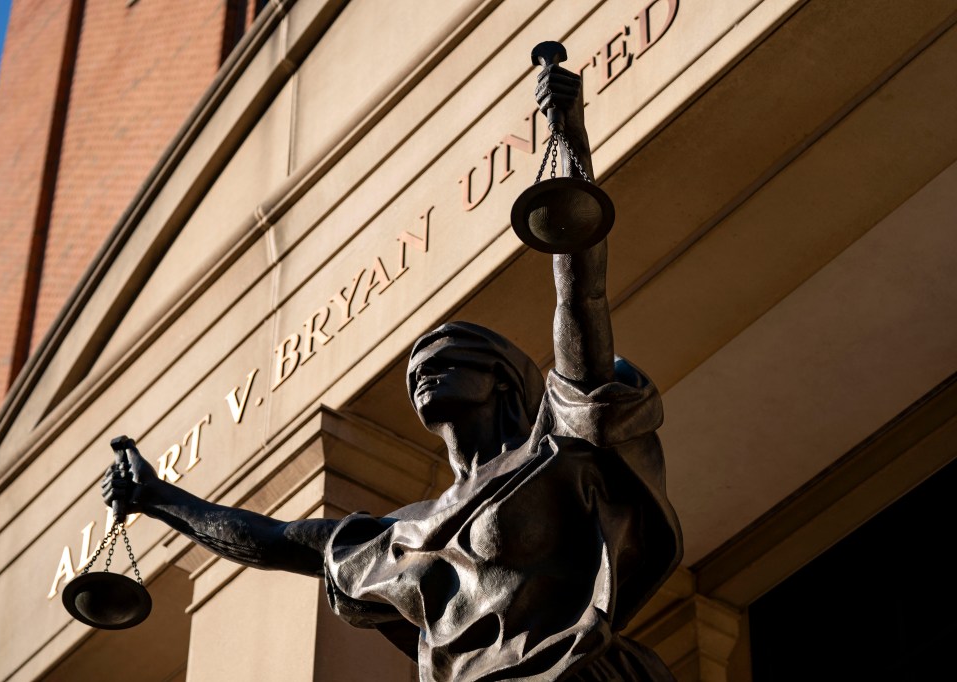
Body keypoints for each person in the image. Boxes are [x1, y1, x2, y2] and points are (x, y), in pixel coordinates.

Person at [103, 61, 682, 682]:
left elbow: (581, 298)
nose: (424, 379)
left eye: (446, 363)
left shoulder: (557, 452)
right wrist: (159, 499)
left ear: (503, 379)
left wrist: (568, 134)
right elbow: (273, 540)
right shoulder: (405, 532)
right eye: (415, 375)